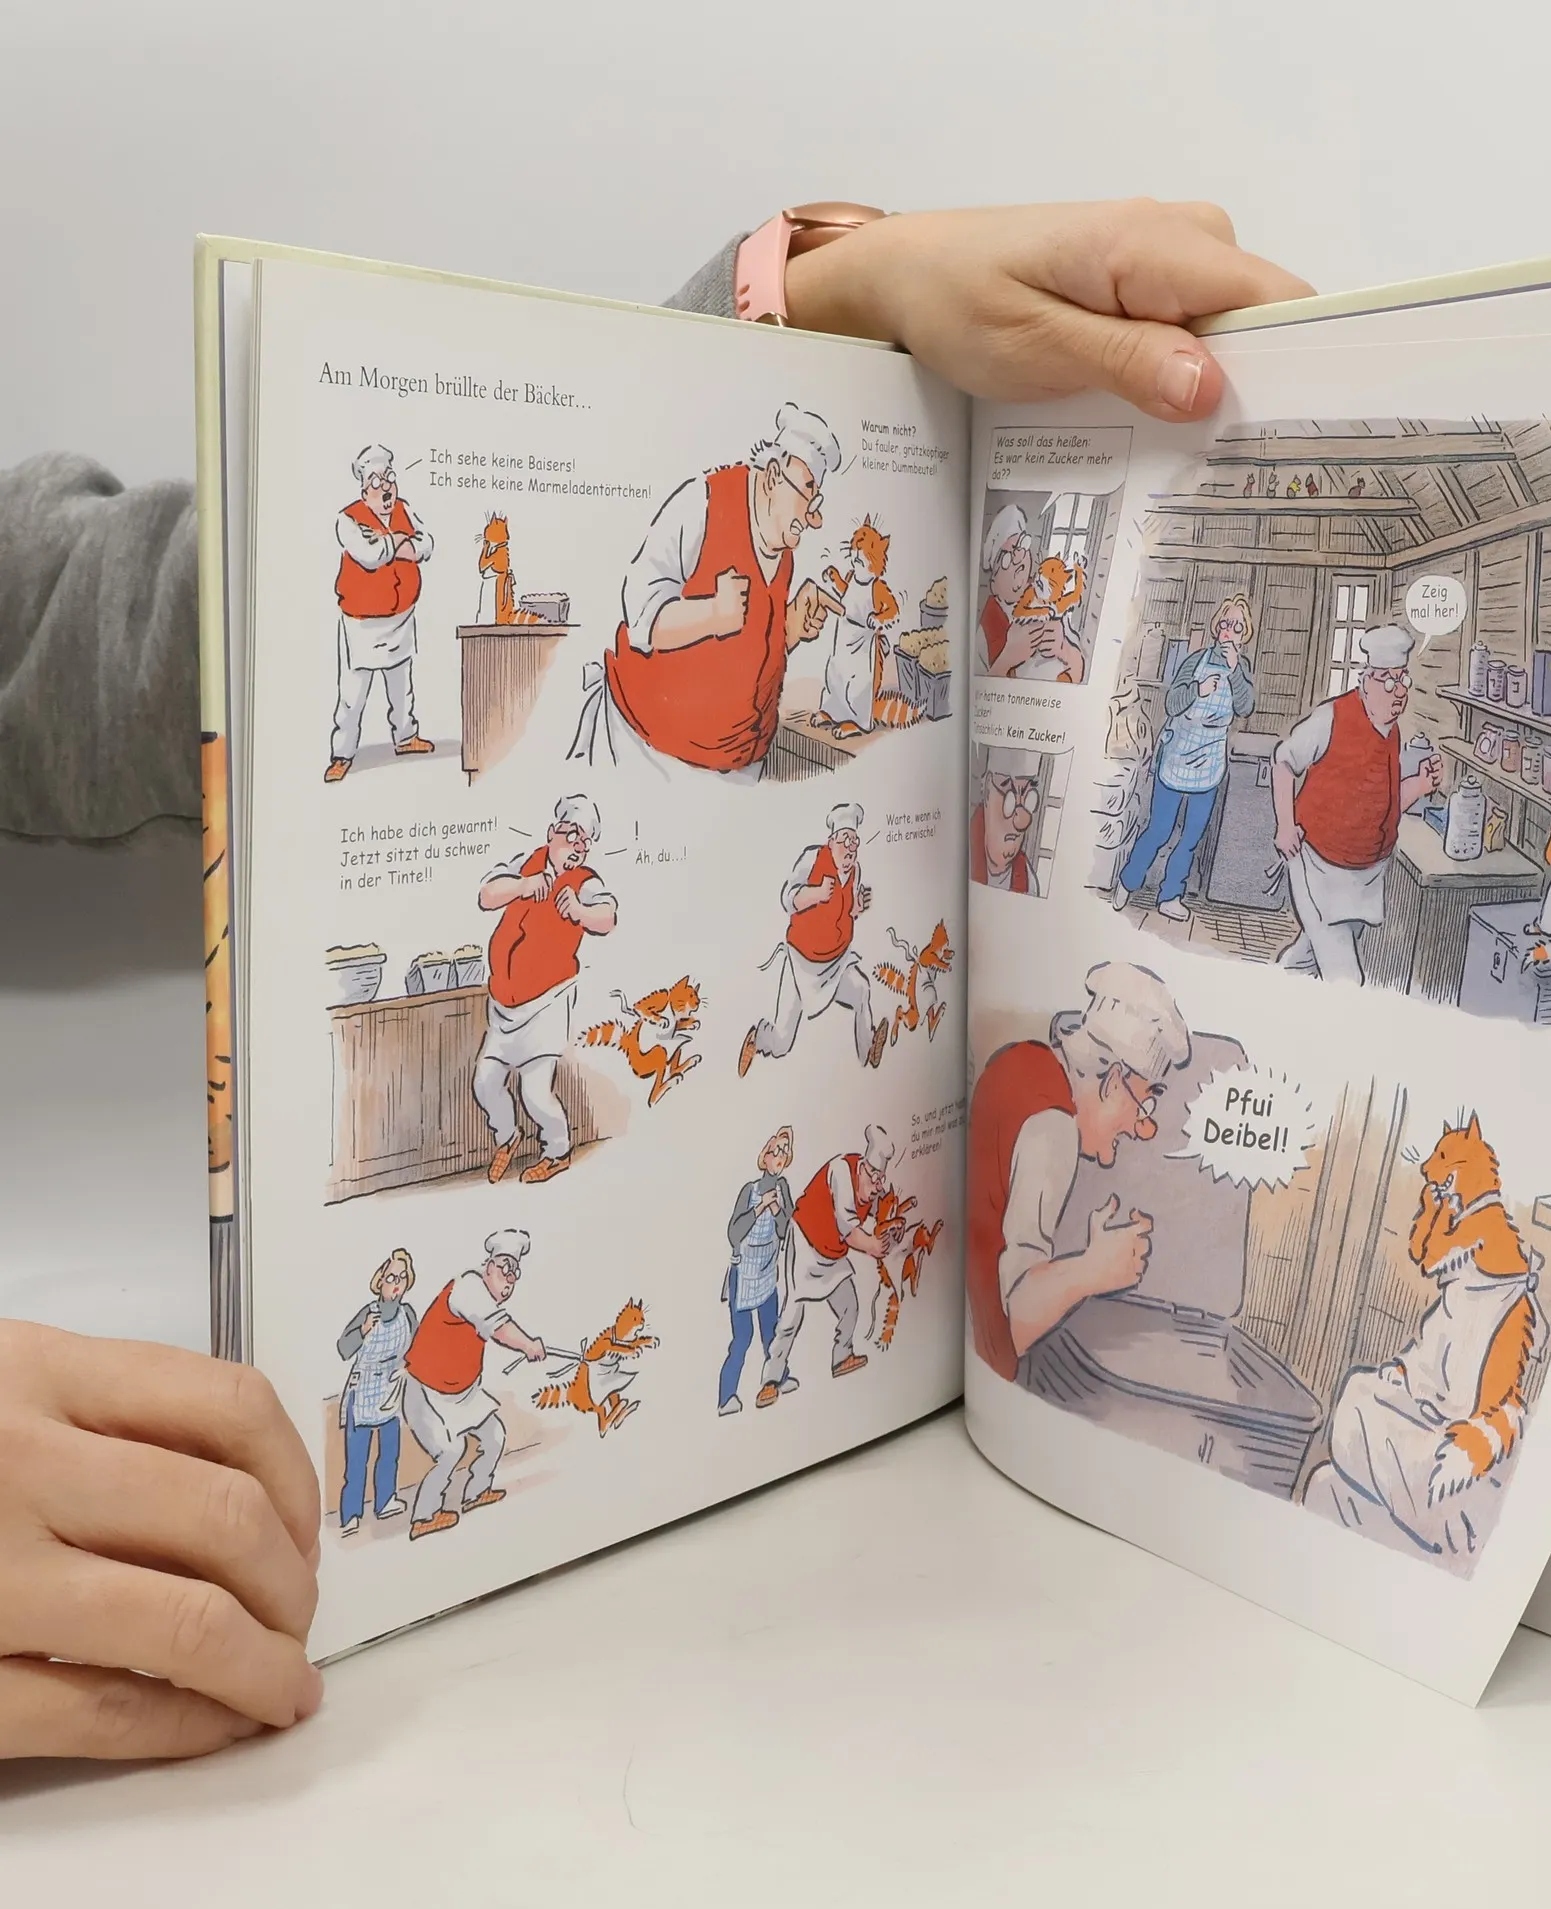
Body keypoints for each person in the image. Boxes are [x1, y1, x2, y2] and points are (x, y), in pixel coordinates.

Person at [1, 198, 1310, 1759]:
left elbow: (80, 617)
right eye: (1130, 1090)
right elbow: (636, 634)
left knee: (680, 1076)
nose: (1132, 1114)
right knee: (601, 1131)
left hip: (694, 915)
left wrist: (802, 303)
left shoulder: (771, 627)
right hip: (646, 880)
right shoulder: (696, 579)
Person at [570, 403, 844, 780]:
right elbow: (641, 621)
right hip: (651, 756)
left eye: (817, 502)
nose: (815, 518)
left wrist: (789, 629)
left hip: (739, 765)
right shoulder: (701, 503)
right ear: (773, 477)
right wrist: (712, 613)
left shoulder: (784, 552)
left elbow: (746, 655)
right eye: (807, 494)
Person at [966, 962, 1188, 1381]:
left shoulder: (1020, 1060)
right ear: (1113, 1082)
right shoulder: (1054, 1127)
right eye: (1144, 1104)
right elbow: (1012, 1320)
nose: (1142, 1128)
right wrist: (1092, 1270)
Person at [1269, 625, 1443, 985]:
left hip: (1364, 875)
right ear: (1366, 681)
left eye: (1403, 679)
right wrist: (1285, 826)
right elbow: (1283, 761)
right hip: (1318, 864)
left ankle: (1276, 983)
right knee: (1346, 978)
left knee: (1309, 954)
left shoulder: (1392, 732)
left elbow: (1384, 804)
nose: (1399, 691)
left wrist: (1419, 785)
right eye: (1388, 681)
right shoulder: (1331, 717)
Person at [472, 794, 619, 1185]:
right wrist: (524, 885)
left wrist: (581, 912)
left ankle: (557, 1152)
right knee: (485, 1083)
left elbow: (607, 917)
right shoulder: (527, 862)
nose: (578, 847)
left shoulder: (585, 882)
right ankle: (507, 1138)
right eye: (572, 835)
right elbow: (487, 895)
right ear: (552, 832)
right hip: (504, 1003)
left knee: (535, 1093)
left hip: (548, 1001)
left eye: (585, 841)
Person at [1114, 594, 1256, 921]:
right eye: (1225, 623)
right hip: (1178, 753)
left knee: (1191, 836)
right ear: (1216, 627)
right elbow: (1172, 703)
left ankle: (1170, 896)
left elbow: (1245, 706)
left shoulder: (1242, 668)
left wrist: (1234, 670)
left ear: (1244, 634)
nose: (1230, 631)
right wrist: (1197, 690)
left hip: (1210, 760)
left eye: (1238, 627)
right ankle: (1128, 881)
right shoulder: (1194, 661)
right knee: (1159, 829)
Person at [399, 1229, 547, 1542]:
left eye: (515, 1273)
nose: (509, 1279)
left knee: (494, 1436)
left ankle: (476, 1492)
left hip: (463, 1393)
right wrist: (528, 1345)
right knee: (451, 1451)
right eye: (504, 1268)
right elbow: (500, 1328)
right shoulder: (468, 1287)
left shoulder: (483, 1295)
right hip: (426, 1392)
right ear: (488, 1266)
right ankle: (424, 1516)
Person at [757, 1124, 905, 1407]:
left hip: (832, 1253)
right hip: (805, 1242)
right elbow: (848, 1229)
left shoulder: (872, 1186)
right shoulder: (841, 1171)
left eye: (881, 1181)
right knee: (791, 1316)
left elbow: (881, 1213)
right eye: (875, 1179)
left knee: (850, 1306)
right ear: (864, 1168)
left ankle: (842, 1358)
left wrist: (892, 1227)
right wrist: (873, 1245)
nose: (877, 1186)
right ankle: (770, 1380)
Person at [739, 800, 885, 1078]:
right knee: (782, 1041)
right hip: (801, 961)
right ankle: (759, 1038)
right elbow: (788, 899)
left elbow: (846, 912)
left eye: (854, 841)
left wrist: (857, 907)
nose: (851, 848)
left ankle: (868, 1050)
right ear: (831, 842)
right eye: (845, 840)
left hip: (836, 962)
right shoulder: (813, 858)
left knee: (862, 990)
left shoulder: (855, 872)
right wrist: (815, 894)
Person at [328, 443, 435, 783]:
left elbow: (426, 544)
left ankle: (405, 737)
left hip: (401, 615)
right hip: (362, 622)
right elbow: (369, 555)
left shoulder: (405, 509)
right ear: (364, 489)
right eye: (377, 482)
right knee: (353, 694)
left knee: (401, 685)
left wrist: (395, 543)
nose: (386, 488)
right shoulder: (348, 519)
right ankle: (342, 754)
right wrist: (400, 542)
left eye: (389, 479)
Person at [333, 1248, 418, 1536]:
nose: (395, 1283)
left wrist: (408, 1368)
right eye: (391, 1277)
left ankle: (385, 1502)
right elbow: (343, 1348)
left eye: (401, 1278)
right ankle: (350, 1515)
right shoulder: (368, 1313)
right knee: (357, 1461)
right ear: (380, 1280)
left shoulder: (407, 1314)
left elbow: (418, 1348)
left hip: (390, 1392)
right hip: (362, 1394)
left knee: (389, 1453)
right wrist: (363, 1331)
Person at [718, 1127, 796, 1415]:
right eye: (776, 1150)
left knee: (771, 1331)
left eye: (785, 1151)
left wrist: (776, 1209)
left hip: (766, 1272)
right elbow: (733, 1233)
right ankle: (726, 1397)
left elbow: (788, 1229)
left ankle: (780, 1377)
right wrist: (761, 1207)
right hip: (743, 1274)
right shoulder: (750, 1191)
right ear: (765, 1156)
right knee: (743, 1337)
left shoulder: (783, 1188)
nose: (780, 1156)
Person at [973, 504, 1084, 682]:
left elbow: (1078, 669)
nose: (1018, 558)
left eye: (1022, 545)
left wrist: (1063, 648)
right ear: (993, 583)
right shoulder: (983, 633)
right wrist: (1007, 658)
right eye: (1007, 557)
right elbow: (978, 690)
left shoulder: (1046, 594)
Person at [970, 746, 1042, 892]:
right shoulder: (960, 854)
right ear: (988, 792)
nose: (1020, 822)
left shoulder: (1029, 883)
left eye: (1029, 799)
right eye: (1010, 796)